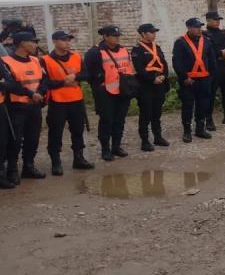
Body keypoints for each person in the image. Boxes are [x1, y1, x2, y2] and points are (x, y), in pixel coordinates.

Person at [40, 31, 94, 175]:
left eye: (69, 40)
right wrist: (63, 82)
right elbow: (44, 83)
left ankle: (79, 158)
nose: (67, 43)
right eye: (64, 40)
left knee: (78, 130)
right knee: (55, 132)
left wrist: (75, 76)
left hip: (76, 100)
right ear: (55, 41)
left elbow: (87, 74)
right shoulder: (45, 60)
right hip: (57, 102)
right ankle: (56, 162)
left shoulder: (76, 56)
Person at [1, 31, 48, 183]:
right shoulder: (6, 61)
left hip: (34, 106)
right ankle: (12, 170)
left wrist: (40, 92)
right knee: (15, 140)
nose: (36, 45)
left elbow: (44, 80)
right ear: (21, 43)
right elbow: (10, 85)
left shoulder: (36, 60)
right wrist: (30, 94)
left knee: (32, 137)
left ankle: (29, 166)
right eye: (32, 42)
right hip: (16, 107)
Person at [85, 25, 135, 162]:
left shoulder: (124, 50)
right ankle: (105, 149)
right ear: (105, 37)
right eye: (114, 36)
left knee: (120, 121)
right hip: (105, 93)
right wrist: (99, 86)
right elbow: (90, 75)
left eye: (118, 35)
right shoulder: (95, 52)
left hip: (123, 91)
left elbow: (129, 68)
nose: (117, 38)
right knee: (106, 121)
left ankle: (116, 146)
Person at [173, 17, 216, 143]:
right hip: (189, 81)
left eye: (200, 27)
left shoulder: (206, 41)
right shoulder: (180, 42)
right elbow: (177, 62)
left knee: (203, 105)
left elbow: (212, 59)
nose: (199, 29)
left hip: (204, 79)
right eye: (196, 27)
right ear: (189, 28)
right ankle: (187, 131)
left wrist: (212, 76)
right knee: (188, 105)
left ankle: (200, 129)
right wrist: (184, 77)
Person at [131, 23, 170, 152]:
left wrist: (163, 76)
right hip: (146, 86)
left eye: (154, 32)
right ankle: (145, 140)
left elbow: (163, 63)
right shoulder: (137, 49)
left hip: (159, 84)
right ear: (143, 34)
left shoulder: (156, 47)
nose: (154, 34)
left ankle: (158, 137)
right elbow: (139, 69)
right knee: (145, 114)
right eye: (151, 32)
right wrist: (152, 79)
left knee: (157, 113)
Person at [204, 11, 225, 128]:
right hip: (213, 66)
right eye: (215, 19)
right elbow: (206, 51)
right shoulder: (205, 35)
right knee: (210, 94)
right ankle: (208, 120)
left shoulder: (224, 33)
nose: (217, 21)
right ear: (208, 20)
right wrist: (220, 53)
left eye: (218, 19)